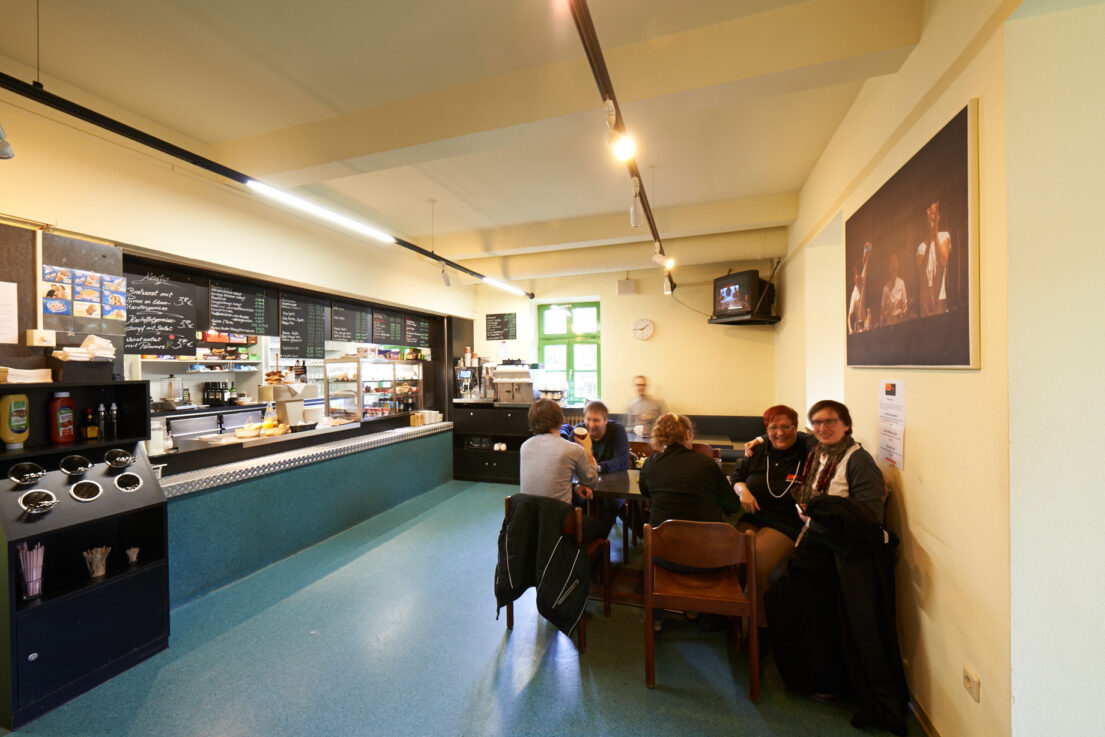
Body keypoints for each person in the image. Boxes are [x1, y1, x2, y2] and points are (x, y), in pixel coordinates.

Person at [765, 400, 908, 735]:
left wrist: (817, 516)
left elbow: (868, 520)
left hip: (844, 553)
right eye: (817, 422)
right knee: (781, 590)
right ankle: (810, 674)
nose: (822, 428)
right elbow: (784, 437)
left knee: (796, 597)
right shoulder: (818, 451)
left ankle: (829, 680)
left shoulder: (858, 461)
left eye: (830, 422)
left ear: (846, 424)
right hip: (817, 542)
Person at [639, 413, 741, 631]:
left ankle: (655, 617)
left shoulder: (650, 464)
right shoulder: (706, 464)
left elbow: (645, 492)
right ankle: (697, 609)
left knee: (655, 535)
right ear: (687, 434)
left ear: (659, 437)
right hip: (707, 557)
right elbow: (732, 506)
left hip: (663, 555)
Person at [730, 405, 814, 627]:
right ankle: (729, 616)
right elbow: (736, 477)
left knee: (756, 563)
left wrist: (761, 436)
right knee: (729, 555)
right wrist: (743, 491)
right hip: (754, 517)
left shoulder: (807, 450)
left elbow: (814, 436)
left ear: (796, 427)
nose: (780, 433)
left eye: (787, 427)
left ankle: (761, 627)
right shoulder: (758, 451)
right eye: (773, 428)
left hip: (786, 523)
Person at [519, 398, 605, 543]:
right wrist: (588, 451)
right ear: (561, 420)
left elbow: (546, 479)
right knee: (599, 527)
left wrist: (574, 487)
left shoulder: (525, 447)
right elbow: (592, 482)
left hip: (530, 525)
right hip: (559, 526)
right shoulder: (573, 450)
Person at [560, 400, 629, 475]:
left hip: (612, 477)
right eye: (588, 419)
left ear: (605, 420)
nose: (591, 425)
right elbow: (566, 459)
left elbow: (622, 461)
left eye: (596, 420)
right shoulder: (578, 430)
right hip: (586, 478)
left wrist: (598, 467)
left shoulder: (617, 430)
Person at [915, 200, 951, 317]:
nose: (931, 215)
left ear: (939, 217)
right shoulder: (921, 246)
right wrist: (930, 239)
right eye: (930, 213)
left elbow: (944, 261)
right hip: (925, 300)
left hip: (940, 297)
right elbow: (921, 270)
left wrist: (935, 237)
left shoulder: (944, 236)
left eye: (934, 212)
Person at [879, 252, 909, 326]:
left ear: (898, 264)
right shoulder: (885, 288)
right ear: (889, 267)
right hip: (890, 324)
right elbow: (882, 310)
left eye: (895, 262)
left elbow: (905, 305)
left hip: (900, 321)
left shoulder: (901, 283)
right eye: (892, 262)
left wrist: (904, 313)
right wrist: (886, 314)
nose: (894, 265)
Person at [847, 243, 870, 334]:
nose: (859, 276)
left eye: (859, 273)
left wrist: (866, 249)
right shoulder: (853, 293)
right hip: (858, 326)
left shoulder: (863, 280)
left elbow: (867, 262)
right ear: (854, 278)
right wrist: (850, 329)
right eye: (856, 274)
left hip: (866, 323)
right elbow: (849, 315)